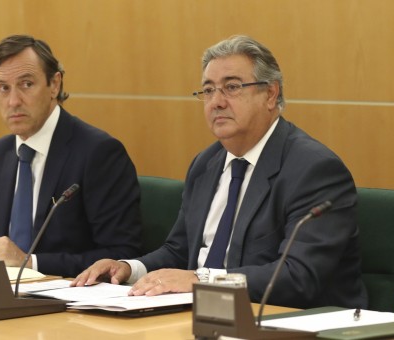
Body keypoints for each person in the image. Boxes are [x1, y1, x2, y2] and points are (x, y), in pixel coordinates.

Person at [72, 35, 367, 309]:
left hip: (286, 322)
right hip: (205, 314)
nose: (217, 101)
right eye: (209, 89)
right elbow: (179, 251)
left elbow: (297, 275)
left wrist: (202, 281)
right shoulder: (207, 163)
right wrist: (129, 269)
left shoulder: (313, 169)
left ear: (270, 94)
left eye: (232, 87)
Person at [0, 35, 142, 278]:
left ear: (54, 85)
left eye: (26, 84)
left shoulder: (98, 152)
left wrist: (29, 262)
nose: (13, 101)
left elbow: (121, 254)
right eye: (3, 88)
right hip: (3, 298)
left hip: (69, 303)